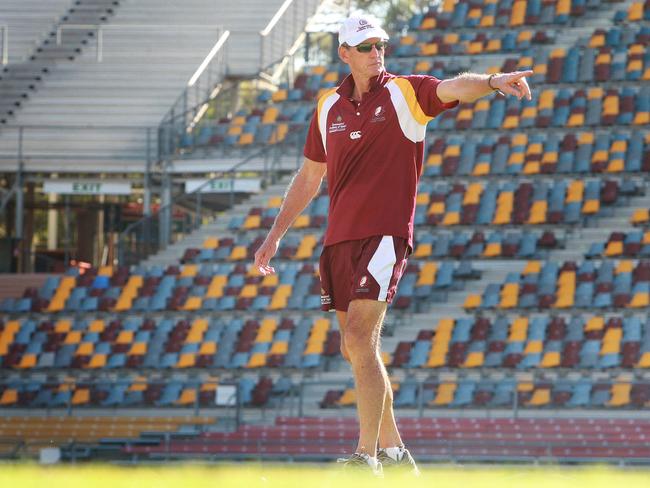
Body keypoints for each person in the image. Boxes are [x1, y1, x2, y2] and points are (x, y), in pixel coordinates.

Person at [254, 14, 532, 475]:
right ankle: (397, 452)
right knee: (354, 346)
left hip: (385, 234)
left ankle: (367, 458)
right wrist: (274, 236)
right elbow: (308, 177)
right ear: (345, 54)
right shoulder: (328, 106)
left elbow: (452, 88)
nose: (376, 52)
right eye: (365, 46)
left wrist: (493, 81)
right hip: (338, 239)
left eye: (380, 44)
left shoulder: (405, 92)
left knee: (360, 338)